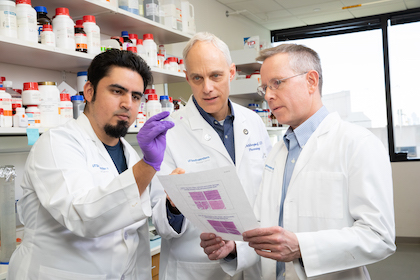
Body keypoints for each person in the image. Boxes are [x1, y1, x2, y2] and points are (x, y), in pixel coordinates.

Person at [200, 43, 396, 279]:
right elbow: (263, 225)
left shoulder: (357, 144)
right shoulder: (278, 152)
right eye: (265, 88)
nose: (269, 95)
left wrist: (302, 247)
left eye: (277, 83)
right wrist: (233, 249)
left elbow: (379, 236)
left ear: (311, 81)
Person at [8, 49, 174, 280]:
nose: (127, 103)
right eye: (117, 91)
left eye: (136, 96)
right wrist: (148, 165)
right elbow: (84, 216)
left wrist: (173, 205)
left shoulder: (130, 155)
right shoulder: (56, 143)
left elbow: (154, 213)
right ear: (89, 91)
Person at [150, 32, 272, 280]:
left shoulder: (253, 121)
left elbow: (267, 192)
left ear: (231, 72)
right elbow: (161, 223)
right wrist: (173, 206)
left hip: (253, 261)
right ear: (187, 78)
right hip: (197, 268)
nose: (207, 88)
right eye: (197, 78)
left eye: (216, 75)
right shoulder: (168, 132)